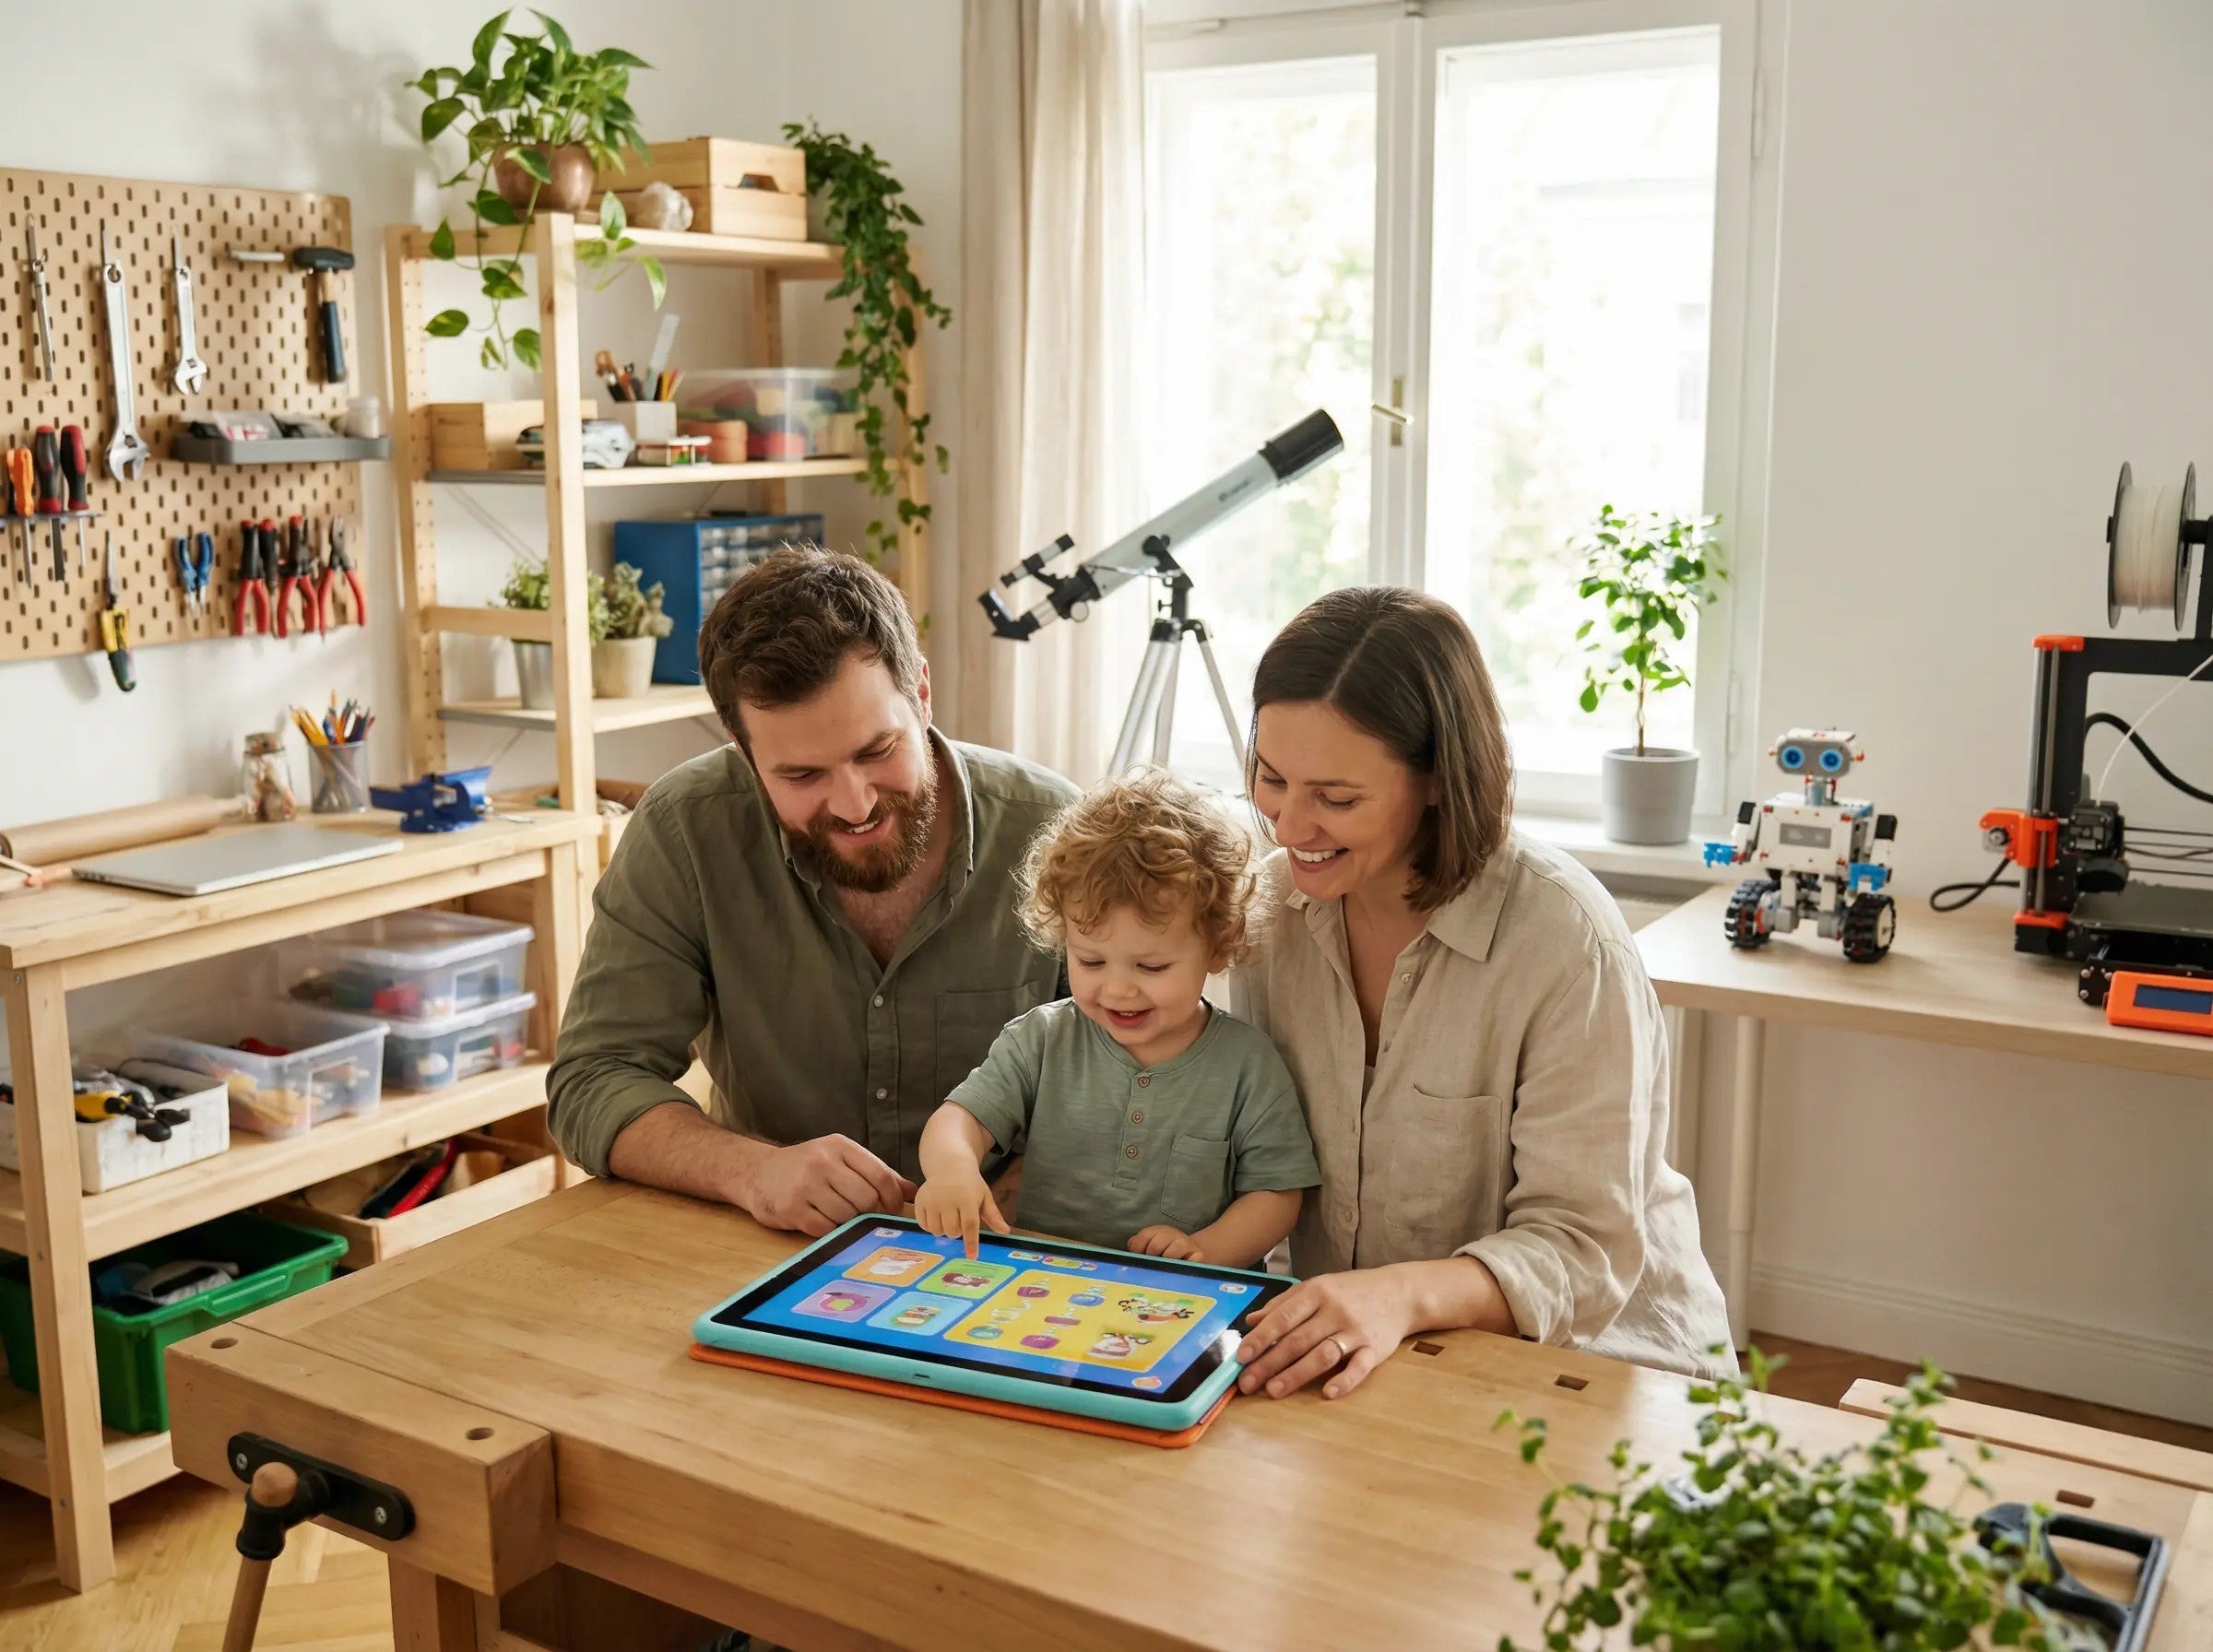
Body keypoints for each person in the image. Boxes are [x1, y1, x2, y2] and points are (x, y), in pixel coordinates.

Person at [1228, 586, 1733, 1398]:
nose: (1288, 826)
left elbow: (1581, 1249)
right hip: (1371, 1363)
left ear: (1436, 780)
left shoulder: (1567, 944)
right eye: (1272, 778)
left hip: (1609, 1372)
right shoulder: (1267, 914)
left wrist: (1399, 1294)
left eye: (1337, 798)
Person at [546, 547, 1078, 1233]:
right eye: (802, 777)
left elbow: (1152, 1071)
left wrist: (1034, 1176)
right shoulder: (687, 829)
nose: (854, 804)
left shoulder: (1056, 830)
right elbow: (591, 1080)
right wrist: (752, 1171)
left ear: (920, 691)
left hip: (1015, 1251)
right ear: (744, 754)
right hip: (770, 1249)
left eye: (876, 751)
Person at [914, 770, 1319, 1267]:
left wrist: (1209, 1249)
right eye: (1090, 961)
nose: (1118, 989)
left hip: (1180, 1301)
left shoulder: (1250, 1065)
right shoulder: (1041, 1040)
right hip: (1037, 1289)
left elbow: (1277, 1195)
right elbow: (960, 1120)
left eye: (1151, 966)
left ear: (1219, 945)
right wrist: (953, 1169)